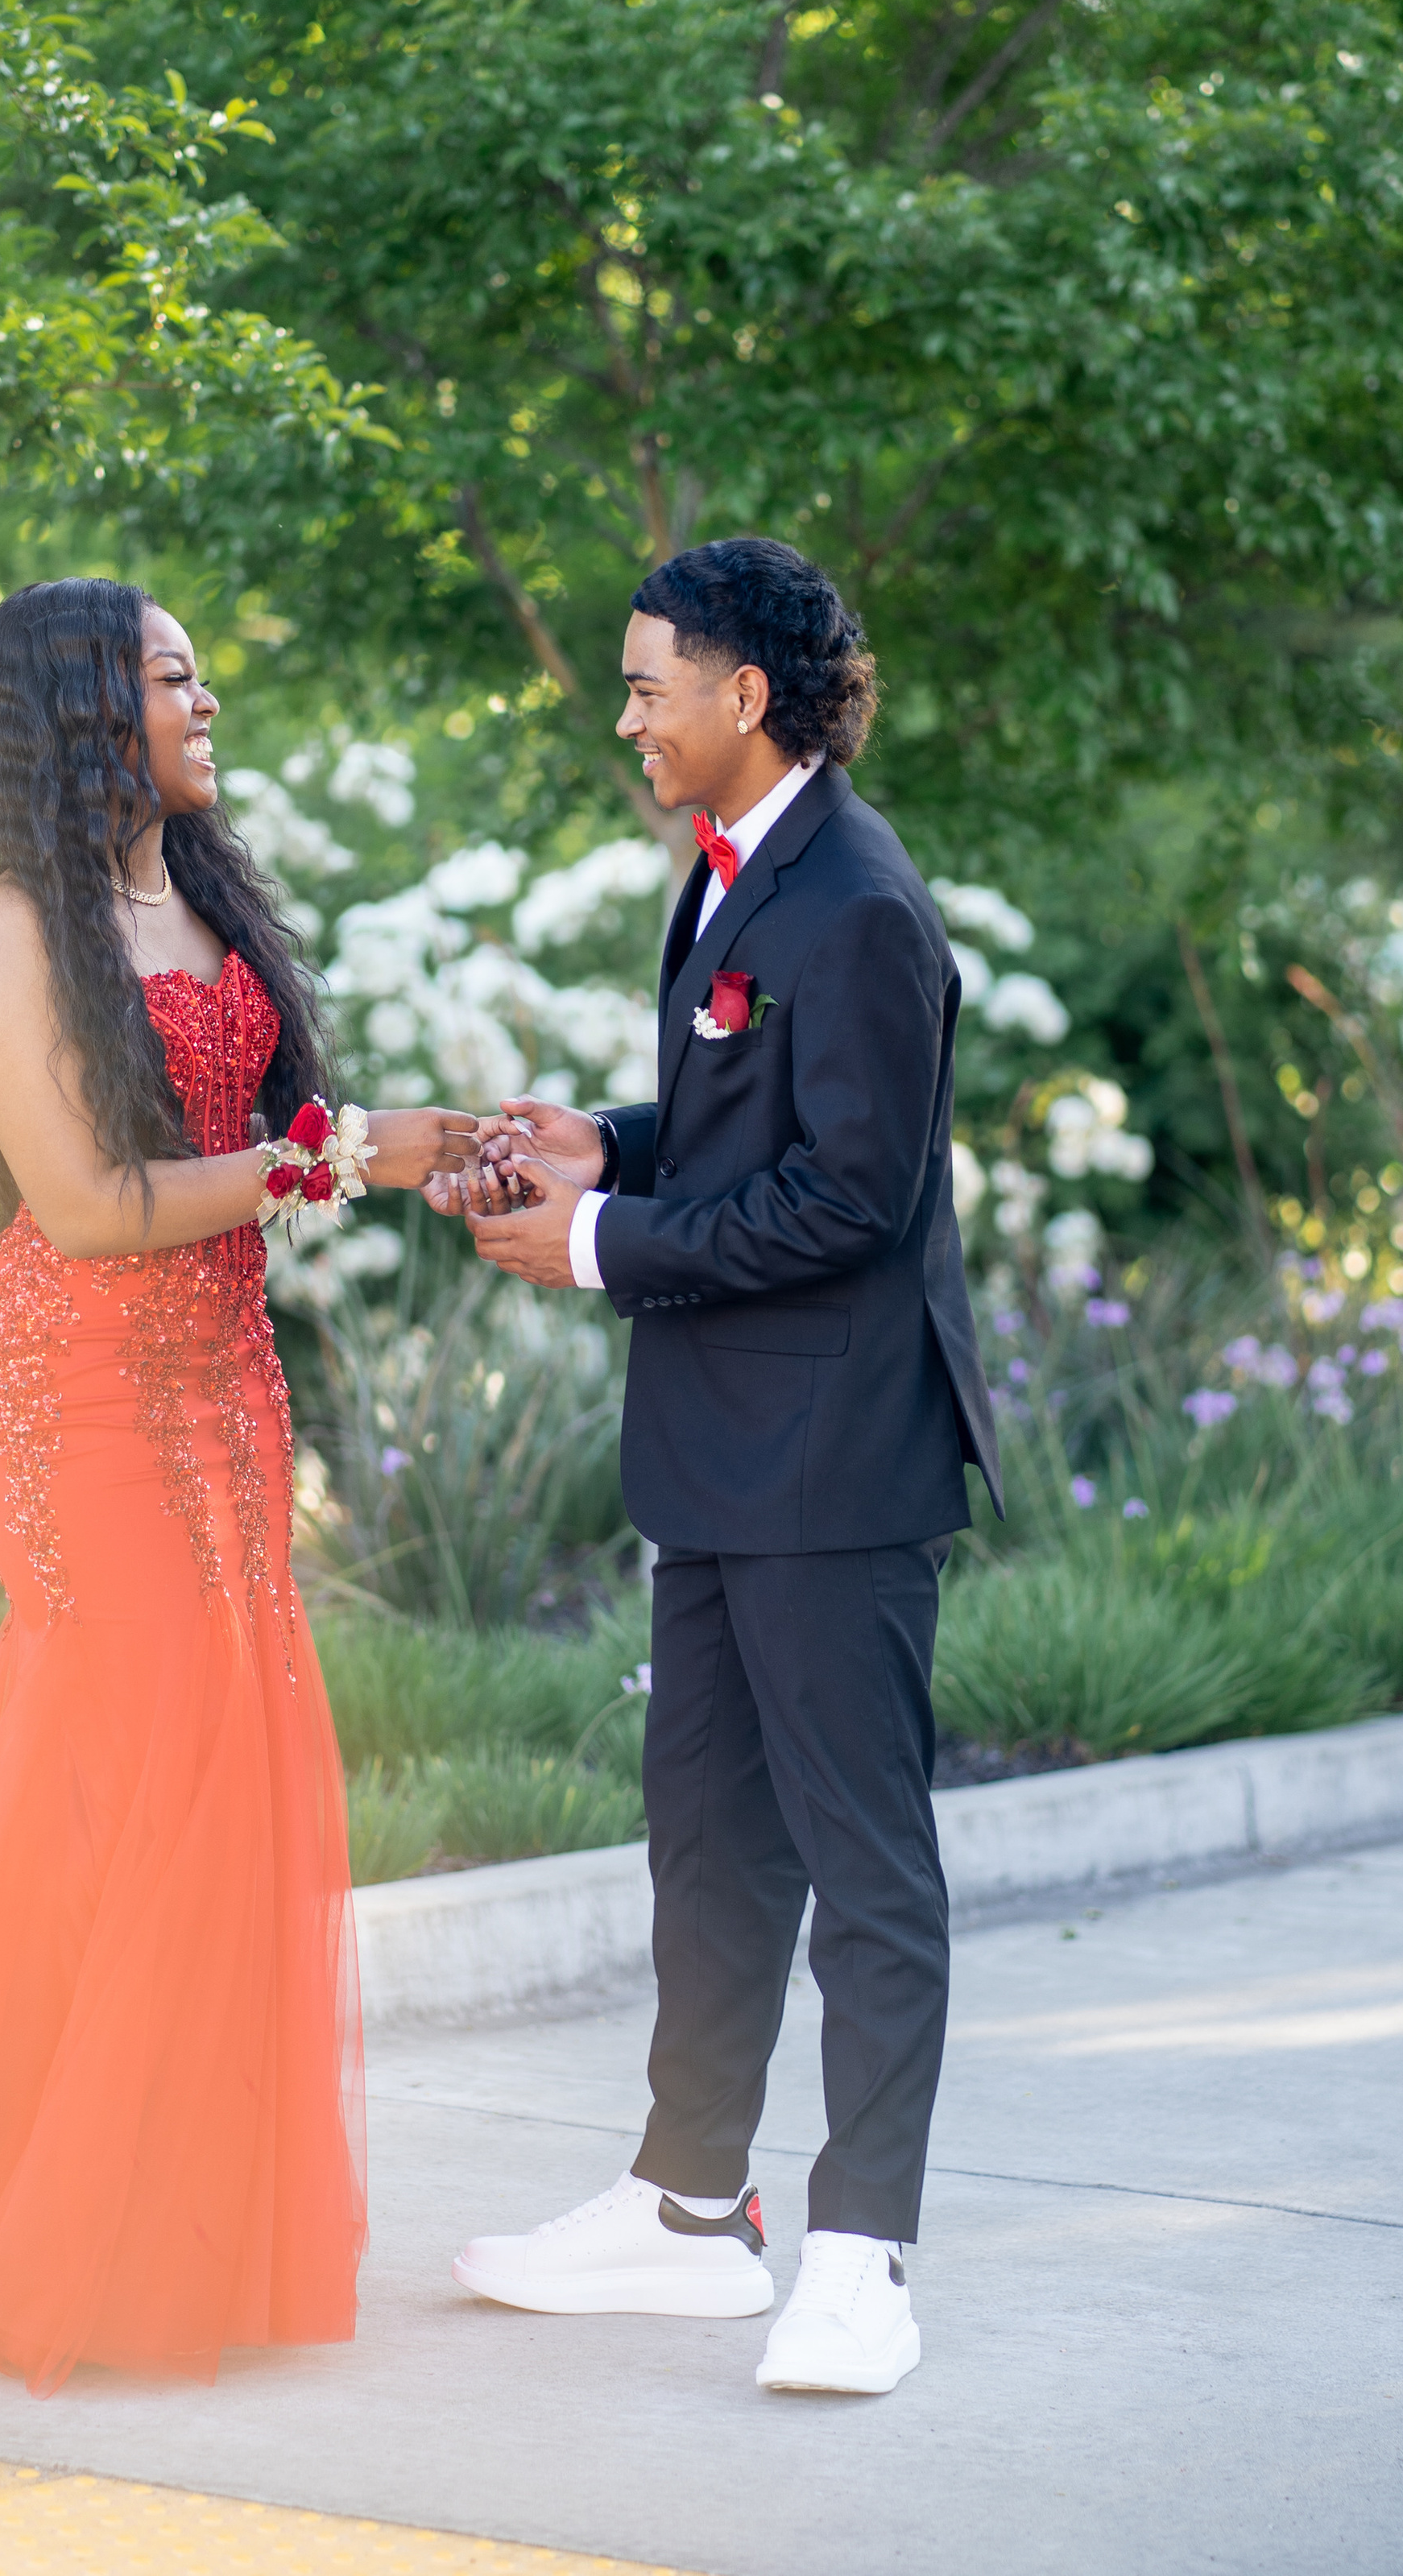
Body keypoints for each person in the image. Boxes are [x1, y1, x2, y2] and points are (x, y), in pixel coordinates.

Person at [0, 577, 474, 2393]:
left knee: (236, 1743)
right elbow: (87, 1214)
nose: (207, 698)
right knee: (136, 1759)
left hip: (225, 1379)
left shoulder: (197, 896)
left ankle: (158, 2222)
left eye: (204, 668)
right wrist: (347, 1160)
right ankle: (16, 2245)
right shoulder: (10, 931)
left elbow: (247, 1164)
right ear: (77, 707)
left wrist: (408, 1158)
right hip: (73, 1392)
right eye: (171, 673)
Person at [447, 537, 1000, 2398]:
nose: (622, 715)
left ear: (740, 697)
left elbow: (853, 1194)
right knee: (706, 1846)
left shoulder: (854, 901)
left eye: (642, 684)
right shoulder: (737, 878)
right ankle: (688, 2217)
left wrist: (598, 1249)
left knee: (863, 1874)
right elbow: (732, 1120)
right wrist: (601, 1144)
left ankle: (864, 2253)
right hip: (721, 1461)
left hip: (835, 1462)